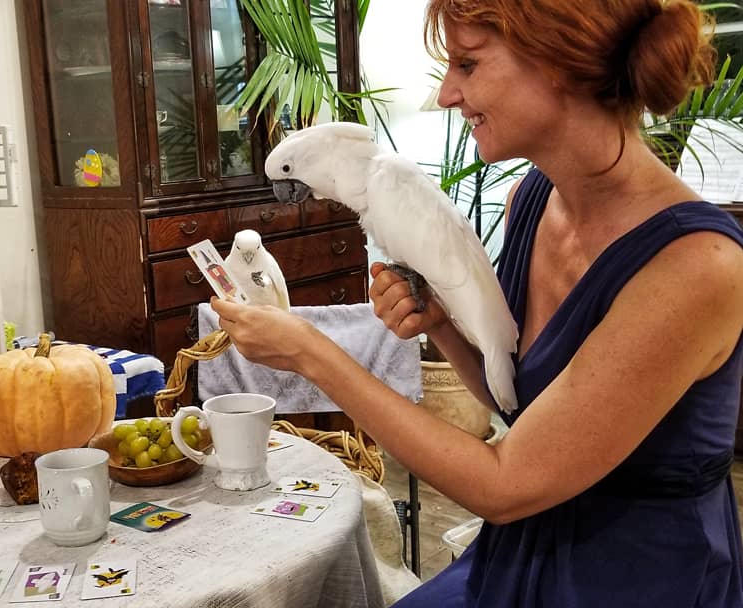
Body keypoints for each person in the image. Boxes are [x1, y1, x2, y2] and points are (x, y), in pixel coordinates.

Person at [209, 1, 743, 605]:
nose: (446, 94)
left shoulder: (696, 266)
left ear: (557, 64)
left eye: (467, 63)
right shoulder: (532, 200)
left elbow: (506, 480)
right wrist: (443, 323)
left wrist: (313, 355)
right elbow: (515, 398)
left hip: (633, 576)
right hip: (522, 547)